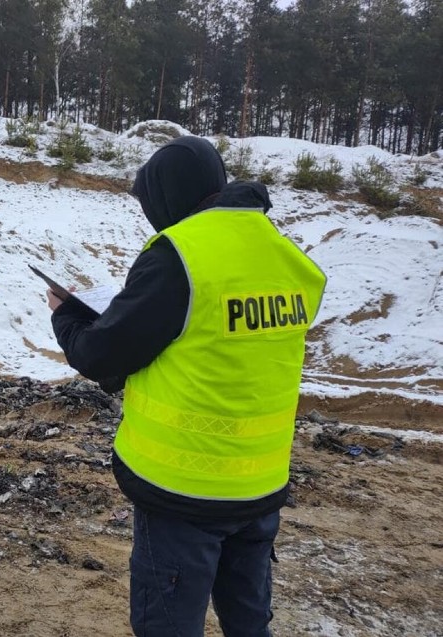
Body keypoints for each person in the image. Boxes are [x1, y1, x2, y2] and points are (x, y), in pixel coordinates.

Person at [46, 136, 326, 637]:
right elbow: (219, 342)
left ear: (167, 198)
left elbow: (101, 354)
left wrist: (66, 316)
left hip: (184, 490)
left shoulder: (178, 256)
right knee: (248, 623)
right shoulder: (283, 253)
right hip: (260, 484)